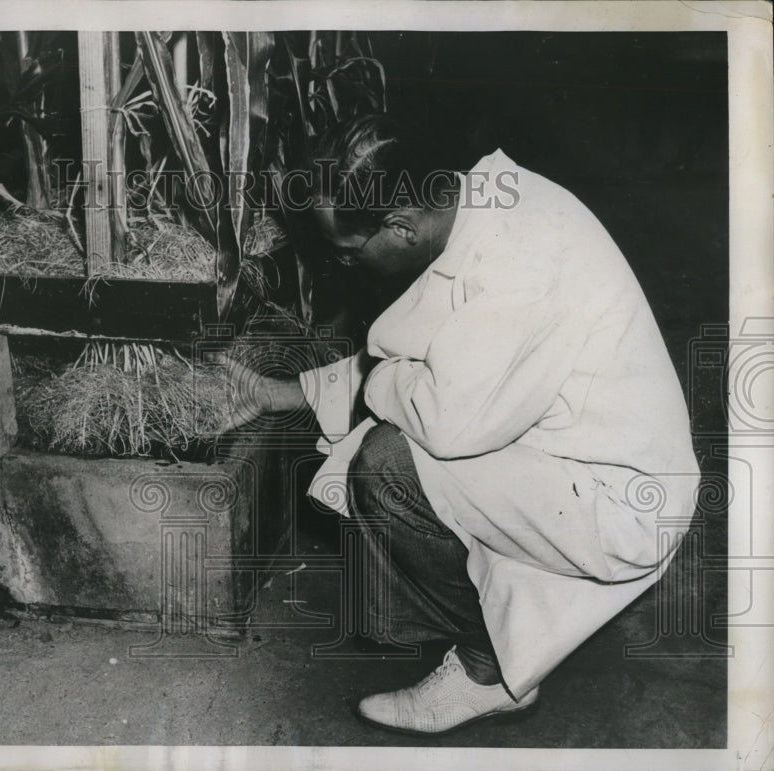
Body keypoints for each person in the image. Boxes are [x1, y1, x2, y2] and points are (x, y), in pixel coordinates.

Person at [223, 115, 700, 735]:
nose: (347, 266)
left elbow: (440, 418)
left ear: (401, 227)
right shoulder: (475, 202)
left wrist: (375, 385)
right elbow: (426, 356)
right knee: (395, 435)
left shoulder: (519, 270)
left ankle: (489, 674)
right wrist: (287, 392)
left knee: (387, 465)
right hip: (566, 448)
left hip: (621, 501)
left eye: (348, 254)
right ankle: (502, 632)